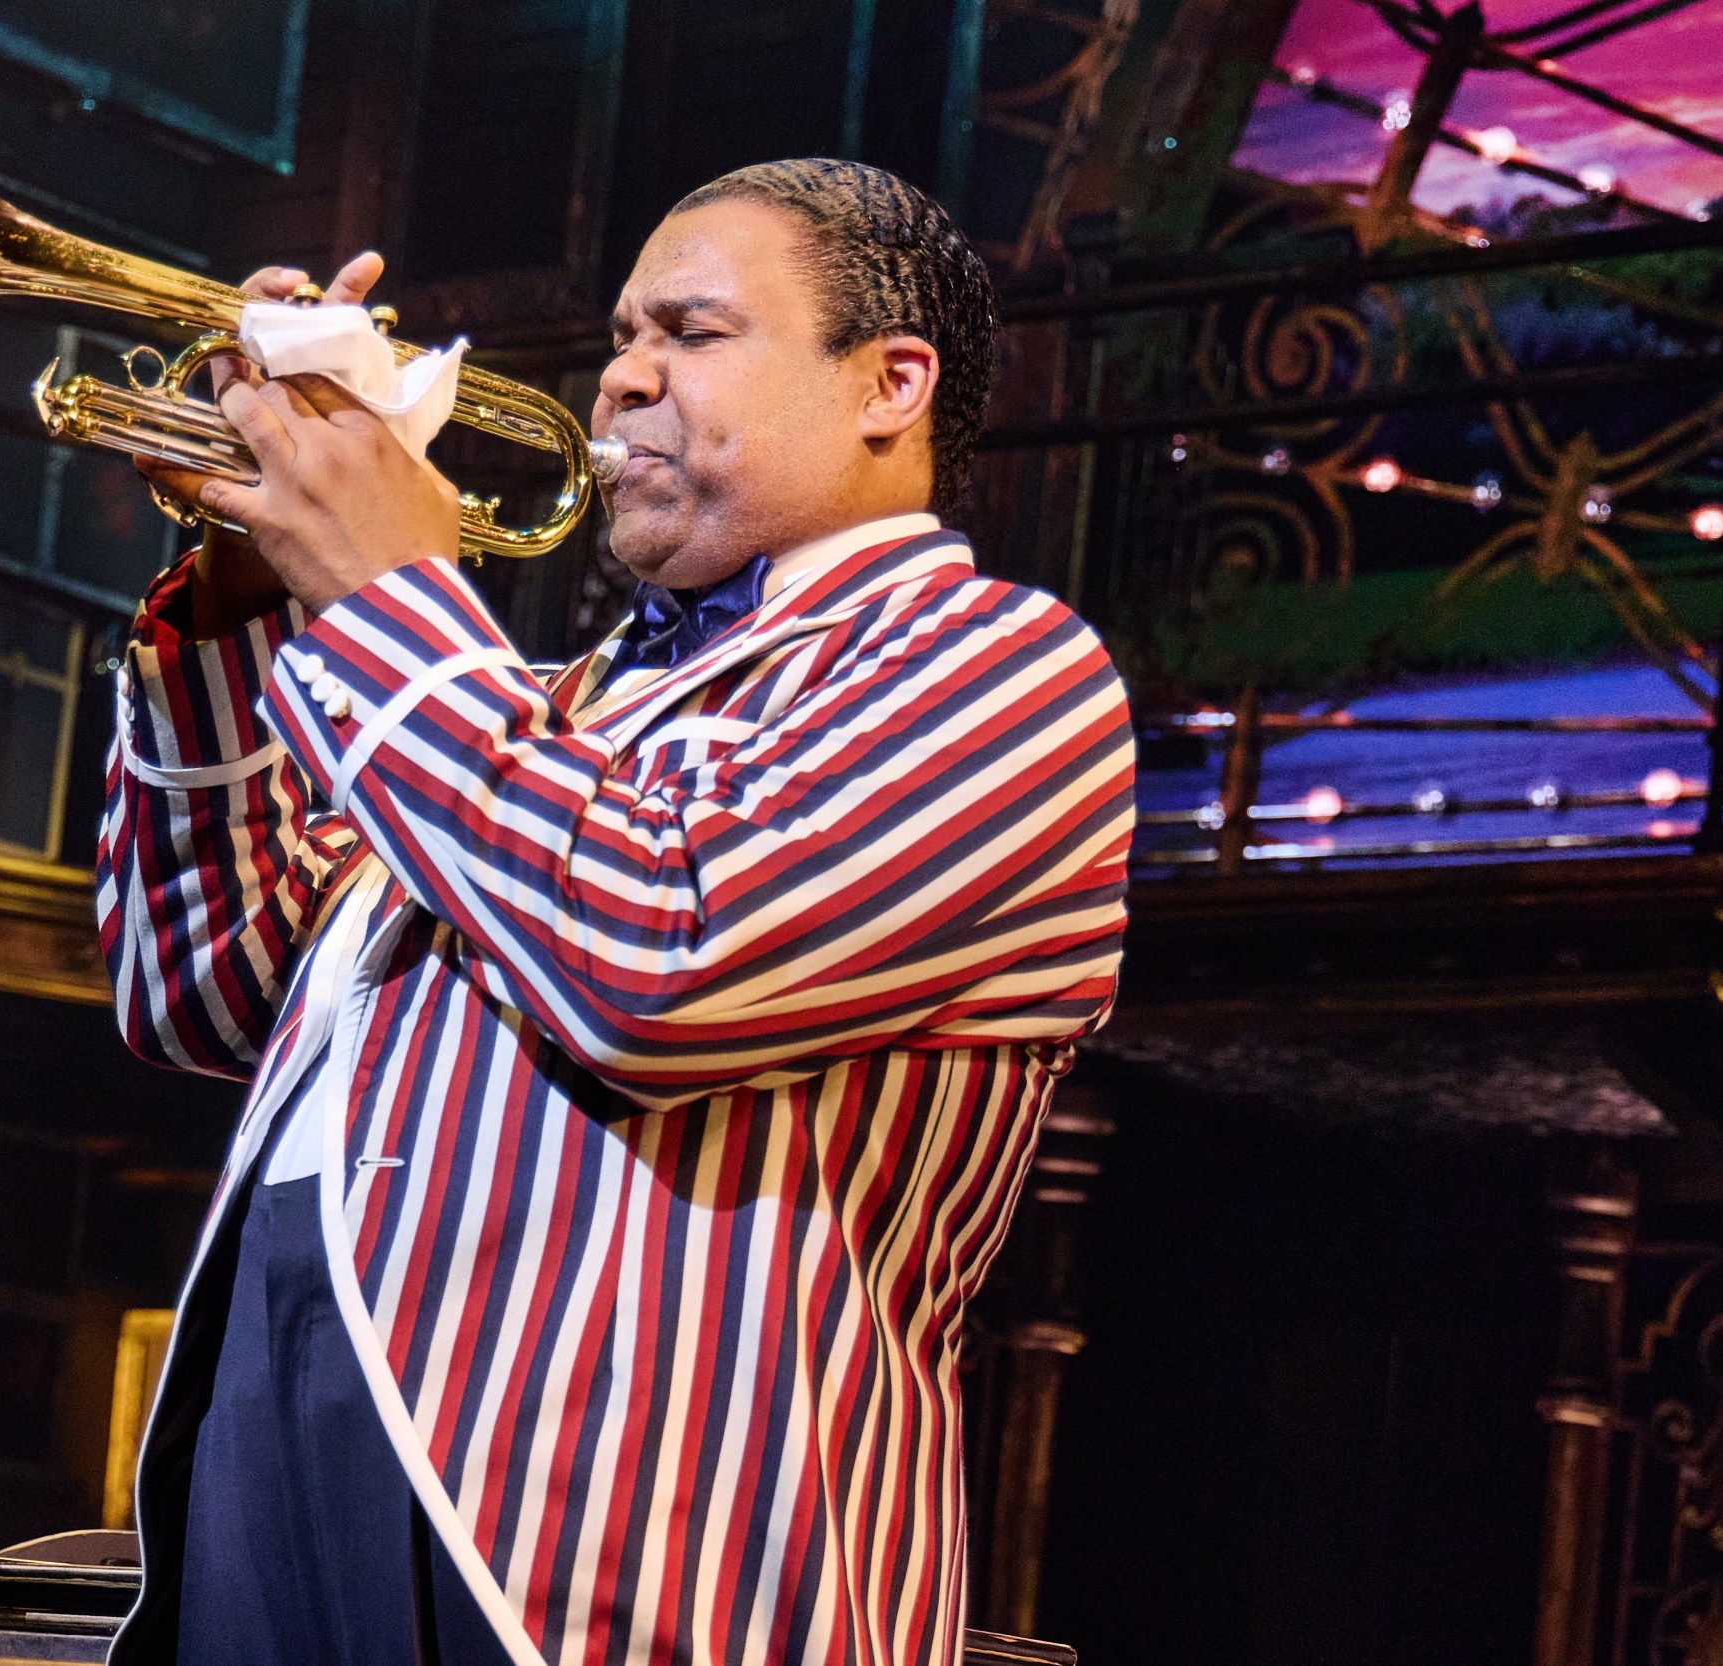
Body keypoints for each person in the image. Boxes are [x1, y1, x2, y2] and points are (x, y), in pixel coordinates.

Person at [98, 159, 1134, 1666]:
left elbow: (659, 960)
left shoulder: (1000, 670)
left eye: (691, 333)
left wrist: (385, 591)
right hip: (285, 1439)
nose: (621, 378)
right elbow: (199, 984)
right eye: (620, 338)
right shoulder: (537, 710)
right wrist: (249, 595)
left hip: (626, 1552)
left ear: (889, 384)